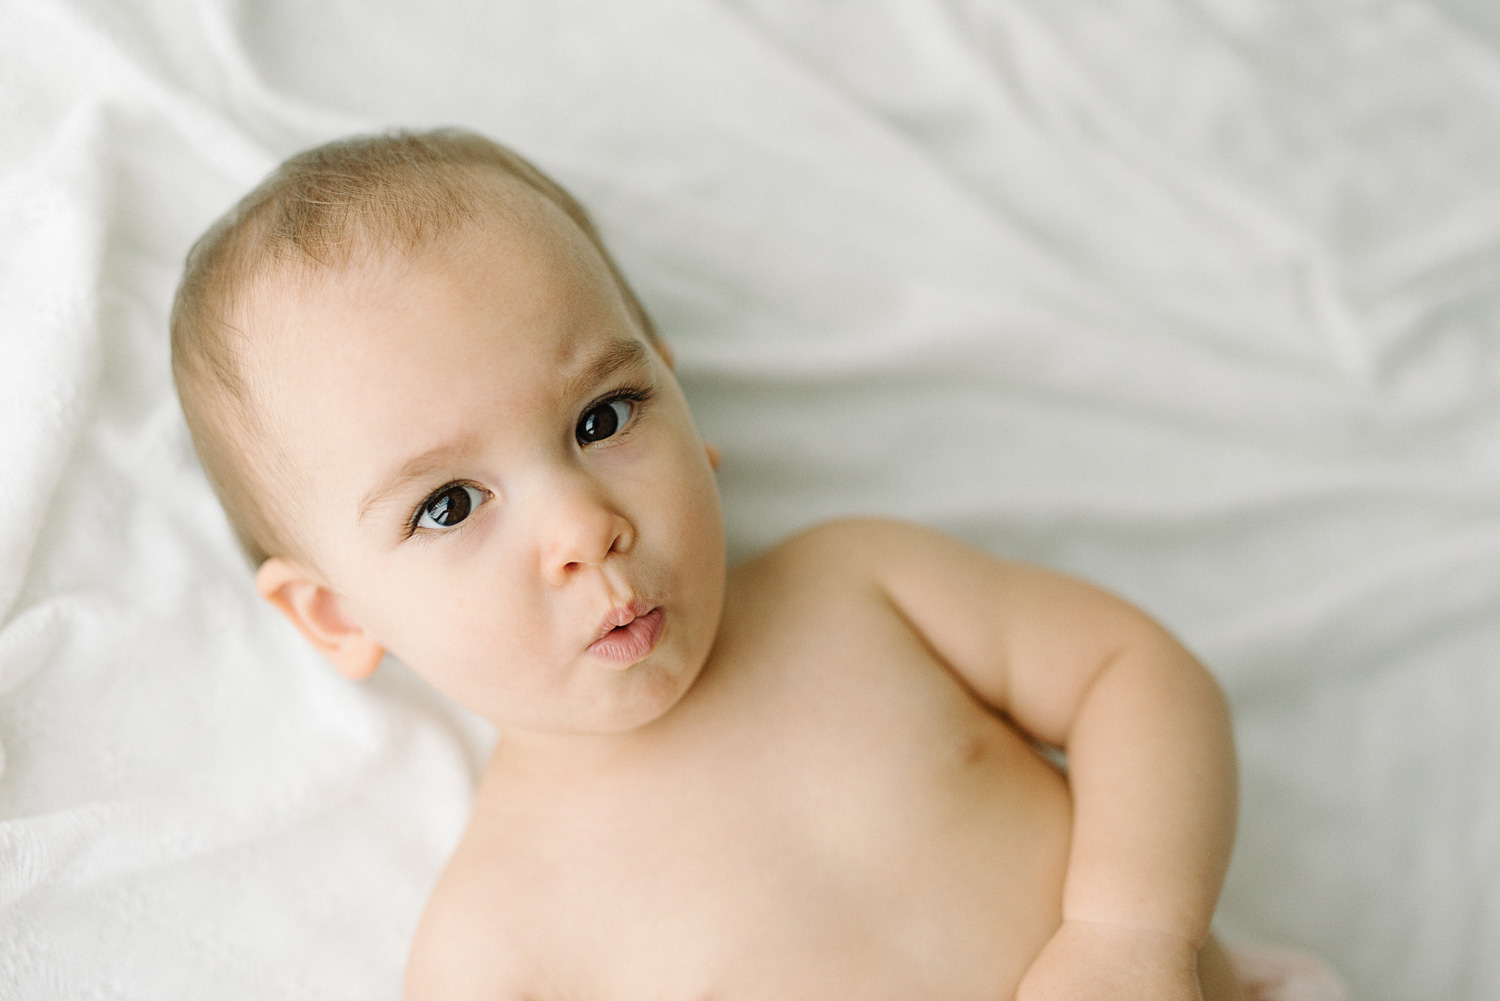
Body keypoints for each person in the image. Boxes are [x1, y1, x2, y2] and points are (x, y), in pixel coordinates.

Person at [171, 128, 1245, 1001]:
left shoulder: (861, 588)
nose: (583, 525)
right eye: (448, 504)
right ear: (333, 615)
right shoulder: (498, 948)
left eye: (604, 415)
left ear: (687, 412)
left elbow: (1132, 674)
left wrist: (1127, 932)